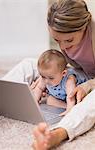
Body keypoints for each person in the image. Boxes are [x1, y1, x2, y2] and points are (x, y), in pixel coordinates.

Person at [32, 0, 95, 149]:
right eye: (57, 40)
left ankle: (58, 133)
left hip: (91, 82)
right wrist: (46, 76)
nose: (63, 47)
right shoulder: (61, 35)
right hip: (79, 74)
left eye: (69, 40)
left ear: (84, 27)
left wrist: (87, 86)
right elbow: (61, 64)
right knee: (28, 65)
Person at [33, 49, 88, 116]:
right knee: (49, 100)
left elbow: (70, 97)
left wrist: (69, 110)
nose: (46, 81)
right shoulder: (45, 78)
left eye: (51, 78)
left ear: (63, 73)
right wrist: (35, 101)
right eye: (43, 76)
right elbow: (39, 88)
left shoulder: (69, 80)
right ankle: (66, 106)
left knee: (83, 101)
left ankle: (72, 107)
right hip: (62, 97)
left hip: (76, 94)